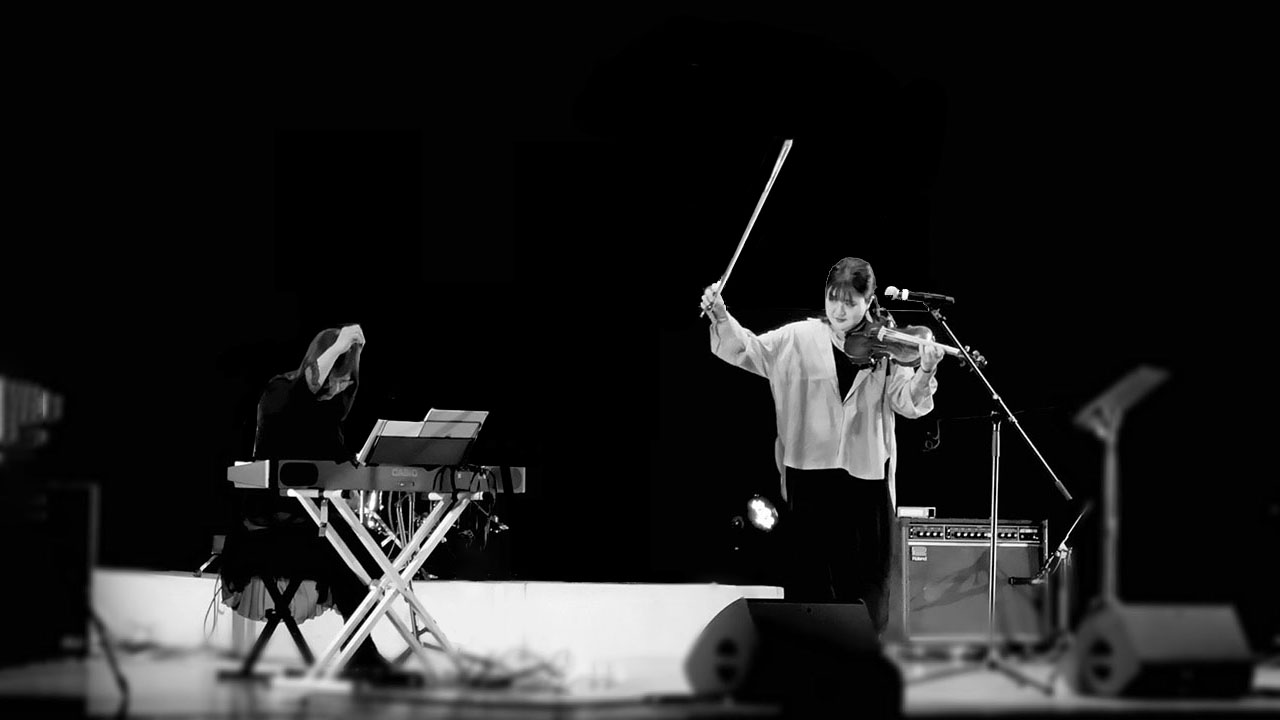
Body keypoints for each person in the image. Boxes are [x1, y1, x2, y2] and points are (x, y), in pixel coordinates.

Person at [700, 257, 943, 634]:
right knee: (811, 585)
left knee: (867, 587)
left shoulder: (888, 342)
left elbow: (907, 403)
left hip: (865, 478)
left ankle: (863, 658)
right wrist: (720, 315)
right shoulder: (798, 337)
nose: (839, 310)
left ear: (869, 300)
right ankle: (814, 661)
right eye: (833, 298)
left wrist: (925, 371)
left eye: (850, 301)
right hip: (810, 475)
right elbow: (748, 349)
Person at [219, 323, 392, 675]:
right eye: (337, 380)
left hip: (309, 530)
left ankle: (362, 654)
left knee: (369, 557)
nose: (341, 388)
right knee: (344, 559)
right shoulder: (279, 392)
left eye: (347, 383)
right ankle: (362, 657)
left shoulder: (326, 417)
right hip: (263, 536)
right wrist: (340, 344)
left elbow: (344, 463)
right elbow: (302, 393)